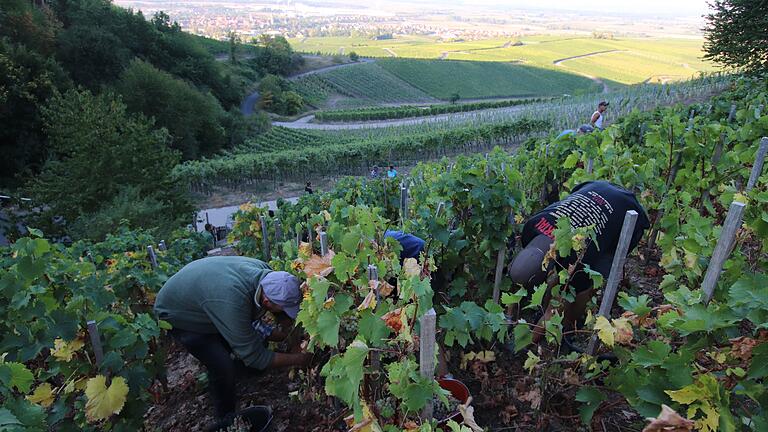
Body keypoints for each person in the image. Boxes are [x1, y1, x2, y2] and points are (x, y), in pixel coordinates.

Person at [154, 256, 311, 431]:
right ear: (267, 302)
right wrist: (300, 359)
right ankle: (225, 419)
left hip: (208, 296)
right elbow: (255, 356)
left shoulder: (267, 276)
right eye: (284, 308)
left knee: (247, 346)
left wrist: (292, 339)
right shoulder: (232, 302)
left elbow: (264, 320)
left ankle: (239, 374)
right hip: (177, 313)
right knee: (222, 365)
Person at [507, 181, 649, 339]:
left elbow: (551, 314)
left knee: (585, 283)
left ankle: (570, 324)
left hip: (627, 213)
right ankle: (552, 302)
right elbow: (521, 277)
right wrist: (509, 317)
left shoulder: (580, 256)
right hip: (594, 187)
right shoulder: (530, 228)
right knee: (561, 276)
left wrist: (524, 345)